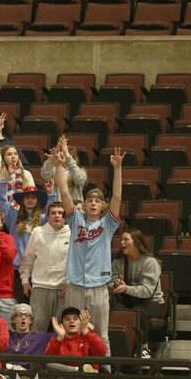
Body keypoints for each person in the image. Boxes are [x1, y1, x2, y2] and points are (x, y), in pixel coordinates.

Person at [52, 146, 125, 353]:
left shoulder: (108, 224)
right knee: (72, 334)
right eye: (90, 200)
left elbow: (117, 197)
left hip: (98, 287)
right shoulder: (75, 220)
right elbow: (65, 194)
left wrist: (117, 168)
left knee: (101, 334)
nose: (93, 203)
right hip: (75, 286)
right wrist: (58, 166)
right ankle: (77, 369)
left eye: (97, 201)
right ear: (83, 205)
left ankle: (105, 372)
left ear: (102, 206)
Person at [0, 182, 56, 301]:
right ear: (22, 200)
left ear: (38, 201)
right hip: (16, 269)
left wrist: (50, 194)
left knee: (35, 304)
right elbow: (0, 201)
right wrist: (4, 181)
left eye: (33, 197)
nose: (30, 200)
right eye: (27, 197)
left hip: (37, 269)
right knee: (17, 304)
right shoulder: (13, 216)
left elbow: (52, 212)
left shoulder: (43, 220)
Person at [111, 228, 165, 358]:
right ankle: (120, 347)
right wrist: (115, 286)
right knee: (114, 310)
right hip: (127, 300)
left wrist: (126, 289)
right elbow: (110, 282)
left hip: (152, 303)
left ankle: (143, 348)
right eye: (121, 239)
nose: (122, 243)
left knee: (136, 312)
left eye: (126, 239)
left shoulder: (150, 262)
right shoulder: (118, 262)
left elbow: (147, 291)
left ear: (137, 242)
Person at [19, 201, 71, 331]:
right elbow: (27, 258)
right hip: (40, 287)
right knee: (36, 329)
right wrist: (25, 280)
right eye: (53, 213)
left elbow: (78, 262)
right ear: (48, 216)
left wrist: (71, 283)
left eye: (60, 213)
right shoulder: (38, 232)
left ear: (65, 216)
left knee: (62, 331)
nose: (57, 216)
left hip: (63, 289)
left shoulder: (72, 233)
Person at [41, 135, 87, 202]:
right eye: (58, 152)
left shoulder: (81, 171)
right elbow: (45, 174)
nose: (59, 154)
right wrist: (55, 152)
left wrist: (67, 155)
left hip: (74, 206)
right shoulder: (53, 170)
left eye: (62, 151)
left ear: (71, 154)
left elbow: (79, 179)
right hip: (56, 206)